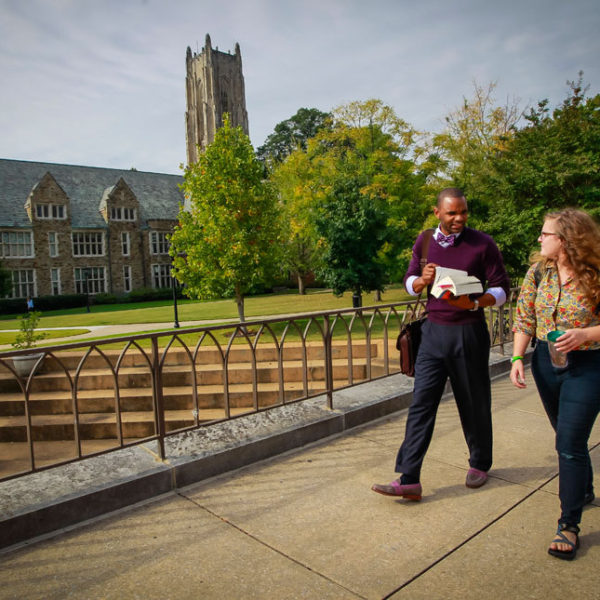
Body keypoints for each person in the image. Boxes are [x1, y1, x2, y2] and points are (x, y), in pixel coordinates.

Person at [372, 188, 510, 500]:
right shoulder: (423, 240)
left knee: (473, 402)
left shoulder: (482, 243)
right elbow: (409, 282)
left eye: (463, 212)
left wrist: (474, 303)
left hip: (469, 332)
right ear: (438, 213)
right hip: (433, 334)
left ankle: (479, 463)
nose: (459, 218)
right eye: (452, 213)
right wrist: (421, 280)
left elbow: (502, 288)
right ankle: (409, 477)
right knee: (421, 404)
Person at [510, 208, 600, 561]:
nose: (540, 239)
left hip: (589, 364)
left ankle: (569, 525)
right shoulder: (538, 272)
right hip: (546, 363)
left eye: (545, 234)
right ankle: (585, 489)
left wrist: (586, 334)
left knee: (568, 443)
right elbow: (524, 316)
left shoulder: (594, 274)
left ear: (565, 240)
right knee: (566, 437)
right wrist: (518, 357)